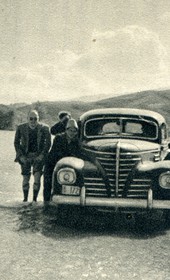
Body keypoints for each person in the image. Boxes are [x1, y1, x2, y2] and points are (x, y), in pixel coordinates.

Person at [14, 110, 51, 202]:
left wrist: (42, 155)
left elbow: (48, 143)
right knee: (25, 178)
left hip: (38, 156)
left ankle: (34, 200)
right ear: (27, 119)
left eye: (35, 119)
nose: (33, 121)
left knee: (37, 178)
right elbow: (16, 143)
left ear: (38, 119)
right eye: (31, 119)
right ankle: (25, 199)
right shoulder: (20, 128)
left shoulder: (45, 128)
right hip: (25, 156)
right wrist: (20, 156)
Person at [43, 118, 80, 202]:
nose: (72, 133)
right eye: (70, 130)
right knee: (47, 185)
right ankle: (46, 204)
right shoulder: (58, 138)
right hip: (51, 163)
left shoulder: (77, 142)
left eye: (74, 131)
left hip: (63, 166)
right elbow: (56, 153)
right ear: (66, 130)